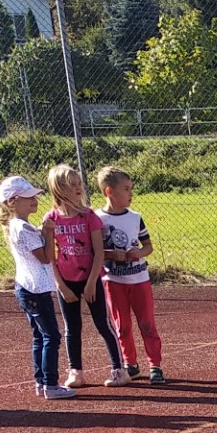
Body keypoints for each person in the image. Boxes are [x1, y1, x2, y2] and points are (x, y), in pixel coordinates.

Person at [43, 162, 123, 390]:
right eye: (72, 185)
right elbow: (51, 257)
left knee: (102, 324)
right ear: (59, 189)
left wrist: (91, 282)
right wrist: (61, 285)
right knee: (72, 327)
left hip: (90, 280)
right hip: (66, 282)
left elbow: (98, 252)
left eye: (79, 183)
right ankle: (76, 371)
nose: (79, 188)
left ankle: (118, 368)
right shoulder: (51, 220)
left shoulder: (89, 217)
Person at [0, 174, 74, 399]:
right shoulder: (23, 228)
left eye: (34, 196)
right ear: (12, 201)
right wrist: (48, 233)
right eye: (27, 197)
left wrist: (41, 231)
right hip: (35, 289)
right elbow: (46, 257)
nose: (34, 200)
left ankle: (41, 382)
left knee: (40, 336)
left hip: (27, 286)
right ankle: (50, 384)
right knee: (51, 335)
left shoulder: (19, 225)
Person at [95, 165, 164, 383]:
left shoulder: (135, 217)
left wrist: (138, 253)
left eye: (131, 188)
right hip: (113, 281)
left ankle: (155, 365)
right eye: (126, 189)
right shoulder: (98, 219)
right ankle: (130, 364)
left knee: (147, 324)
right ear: (109, 192)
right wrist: (111, 255)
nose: (131, 194)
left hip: (139, 280)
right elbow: (95, 251)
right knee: (121, 326)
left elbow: (148, 247)